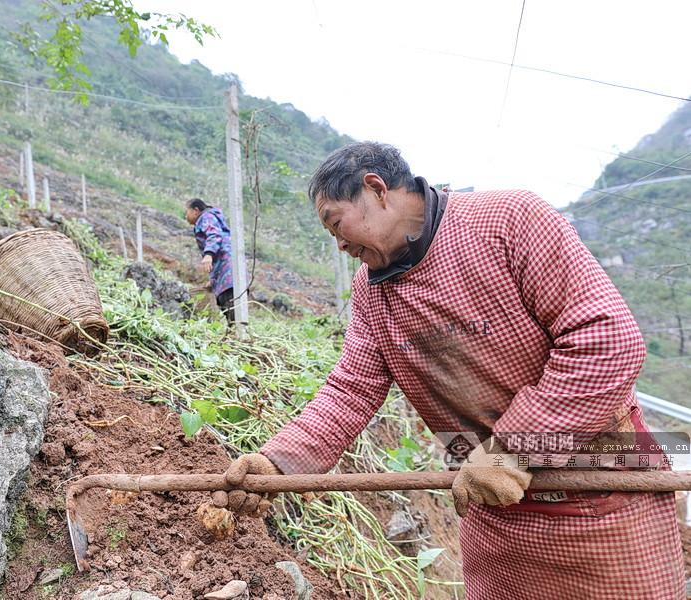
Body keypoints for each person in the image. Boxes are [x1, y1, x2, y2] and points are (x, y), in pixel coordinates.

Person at [212, 142, 684, 598]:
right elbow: (350, 390)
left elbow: (605, 341)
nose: (338, 244)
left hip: (604, 495)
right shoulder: (373, 292)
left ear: (376, 189)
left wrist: (513, 448)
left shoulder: (510, 220)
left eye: (336, 224)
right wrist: (277, 463)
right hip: (496, 512)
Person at [185, 198, 234, 325]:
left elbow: (214, 235)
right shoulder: (209, 218)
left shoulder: (206, 217)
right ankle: (236, 332)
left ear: (196, 210)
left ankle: (239, 334)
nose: (186, 216)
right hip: (226, 273)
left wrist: (208, 254)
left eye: (187, 212)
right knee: (228, 306)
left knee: (233, 307)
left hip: (228, 273)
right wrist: (213, 281)